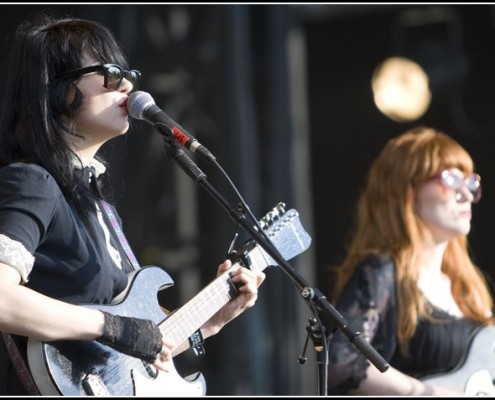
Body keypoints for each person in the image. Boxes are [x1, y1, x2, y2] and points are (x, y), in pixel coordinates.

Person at [0, 13, 265, 396]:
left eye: (129, 75)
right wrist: (109, 326)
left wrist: (210, 322)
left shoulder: (97, 204)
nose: (126, 84)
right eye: (109, 73)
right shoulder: (33, 181)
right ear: (55, 88)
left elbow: (129, 355)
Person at [326, 126, 494, 396]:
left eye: (470, 182)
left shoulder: (466, 286)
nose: (465, 194)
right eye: (450, 179)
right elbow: (343, 363)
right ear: (406, 190)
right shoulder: (380, 273)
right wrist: (432, 394)